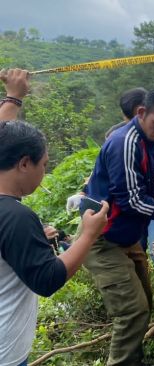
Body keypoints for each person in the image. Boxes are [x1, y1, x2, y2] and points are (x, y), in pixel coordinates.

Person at [82, 88, 154, 365]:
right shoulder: (126, 143)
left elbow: (153, 190)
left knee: (144, 303)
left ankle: (133, 359)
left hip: (128, 238)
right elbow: (130, 200)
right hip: (103, 239)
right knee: (132, 312)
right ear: (141, 113)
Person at [0, 120, 108, 366]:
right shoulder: (16, 217)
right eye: (45, 164)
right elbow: (48, 279)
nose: (44, 172)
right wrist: (88, 235)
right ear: (25, 163)